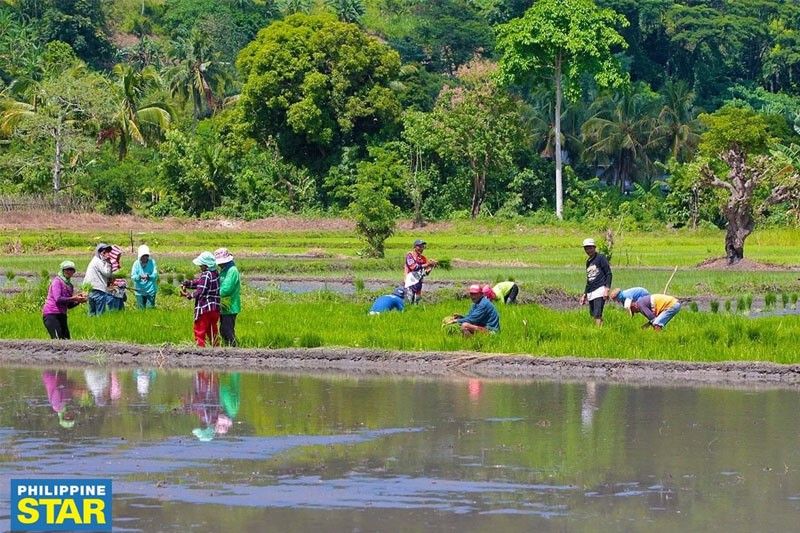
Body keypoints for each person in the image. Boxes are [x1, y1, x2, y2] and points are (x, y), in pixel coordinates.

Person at [181, 251, 221, 347]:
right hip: (215, 308)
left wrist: (189, 295)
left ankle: (200, 349)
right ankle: (216, 349)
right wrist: (187, 283)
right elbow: (199, 283)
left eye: (201, 265)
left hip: (205, 308)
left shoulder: (206, 274)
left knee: (200, 330)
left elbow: (201, 290)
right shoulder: (215, 273)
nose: (200, 267)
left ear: (206, 265)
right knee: (212, 330)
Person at [42, 261, 87, 339]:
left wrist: (79, 301)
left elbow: (69, 305)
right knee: (57, 339)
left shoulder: (70, 285)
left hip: (62, 314)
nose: (69, 272)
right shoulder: (57, 281)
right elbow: (58, 299)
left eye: (71, 270)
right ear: (62, 270)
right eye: (67, 269)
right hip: (51, 314)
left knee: (66, 339)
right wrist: (74, 298)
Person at [579, 238, 612, 326]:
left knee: (597, 314)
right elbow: (589, 279)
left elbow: (608, 273)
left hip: (600, 289)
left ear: (594, 247)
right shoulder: (588, 262)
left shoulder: (601, 258)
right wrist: (584, 294)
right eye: (586, 248)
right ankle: (600, 330)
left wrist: (607, 289)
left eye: (590, 248)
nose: (588, 250)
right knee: (593, 314)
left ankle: (598, 332)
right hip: (591, 291)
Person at [215, 248, 241, 347]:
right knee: (223, 329)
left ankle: (234, 348)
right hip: (224, 306)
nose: (219, 264)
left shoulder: (232, 270)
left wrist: (213, 294)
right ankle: (228, 347)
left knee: (227, 329)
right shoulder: (225, 270)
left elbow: (226, 289)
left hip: (231, 306)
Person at [84, 243, 115, 316]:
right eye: (105, 252)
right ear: (100, 252)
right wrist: (109, 263)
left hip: (91, 289)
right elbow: (107, 273)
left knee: (92, 313)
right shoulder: (98, 261)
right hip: (98, 290)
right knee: (100, 314)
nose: (107, 254)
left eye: (108, 252)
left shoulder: (94, 261)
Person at [404, 239, 437, 304]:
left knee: (417, 301)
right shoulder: (410, 255)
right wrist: (427, 264)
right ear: (415, 247)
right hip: (410, 282)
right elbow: (413, 267)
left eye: (423, 247)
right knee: (409, 300)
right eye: (419, 246)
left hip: (419, 282)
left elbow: (425, 273)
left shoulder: (423, 258)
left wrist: (431, 266)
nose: (421, 249)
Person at [131, 244, 158, 309]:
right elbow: (133, 276)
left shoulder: (152, 262)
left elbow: (155, 275)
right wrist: (139, 277)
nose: (145, 257)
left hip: (150, 290)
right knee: (141, 310)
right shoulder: (136, 264)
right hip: (139, 291)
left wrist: (149, 276)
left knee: (150, 309)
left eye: (146, 256)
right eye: (143, 256)